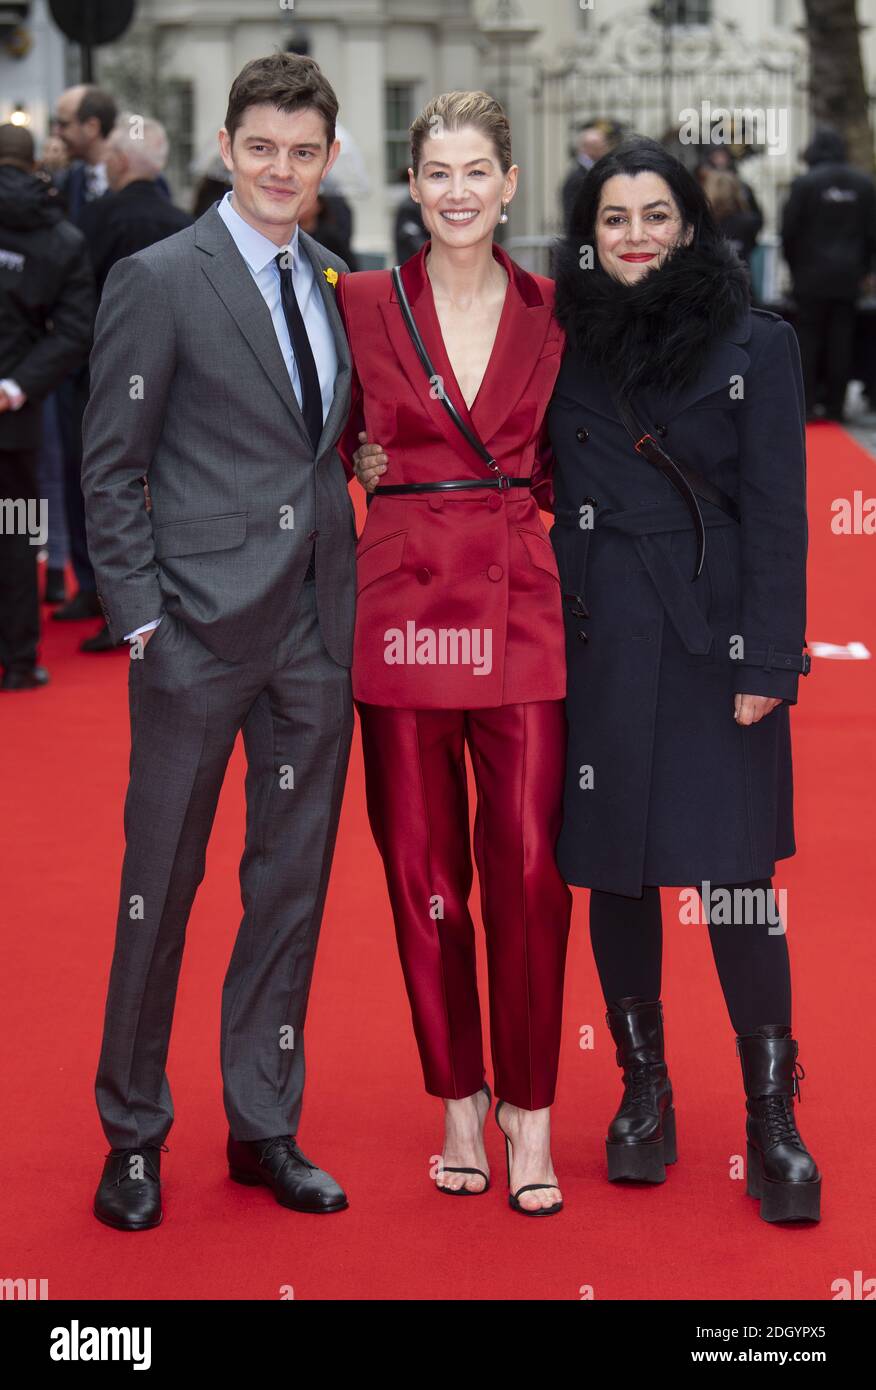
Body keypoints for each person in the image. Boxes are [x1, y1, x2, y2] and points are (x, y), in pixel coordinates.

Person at [81, 52, 356, 1230]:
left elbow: (325, 446)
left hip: (314, 635)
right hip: (194, 636)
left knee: (288, 893)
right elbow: (110, 466)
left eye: (303, 151)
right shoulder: (160, 275)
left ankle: (264, 1122)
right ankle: (133, 1133)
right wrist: (145, 619)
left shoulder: (341, 280)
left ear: (328, 158)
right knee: (163, 887)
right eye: (262, 147)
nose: (281, 169)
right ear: (227, 147)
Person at [549, 137, 820, 1223]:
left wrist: (769, 654)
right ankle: (643, 1094)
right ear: (590, 233)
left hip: (714, 642)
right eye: (615, 219)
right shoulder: (559, 342)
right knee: (618, 873)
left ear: (692, 225)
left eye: (656, 215)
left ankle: (772, 1119)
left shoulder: (759, 340)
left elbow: (782, 513)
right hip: (599, 638)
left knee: (737, 880)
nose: (636, 237)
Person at [341, 91, 572, 1215]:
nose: (458, 191)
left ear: (510, 183)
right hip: (401, 609)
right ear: (413, 183)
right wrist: (366, 466)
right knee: (425, 877)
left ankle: (530, 1111)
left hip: (522, 606)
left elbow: (591, 459)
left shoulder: (558, 310)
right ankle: (457, 1098)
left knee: (528, 867)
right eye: (437, 171)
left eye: (478, 169)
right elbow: (318, 434)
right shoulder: (365, 304)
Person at [77, 114, 193, 654]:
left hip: (103, 373)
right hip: (181, 378)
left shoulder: (96, 218)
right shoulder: (183, 221)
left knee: (107, 476)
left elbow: (79, 299)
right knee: (161, 481)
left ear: (120, 161)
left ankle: (109, 600)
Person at [0, 123, 94, 690]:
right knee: (15, 532)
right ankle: (17, 660)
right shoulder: (61, 236)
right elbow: (75, 330)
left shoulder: (62, 236)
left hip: (17, 406)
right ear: (33, 164)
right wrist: (16, 387)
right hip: (17, 418)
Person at [50, 85, 117, 624]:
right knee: (74, 469)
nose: (59, 132)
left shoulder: (135, 185)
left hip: (117, 358)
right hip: (70, 359)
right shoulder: (65, 184)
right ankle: (84, 580)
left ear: (92, 127)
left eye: (66, 122)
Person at [782, 126, 876, 422]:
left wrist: (795, 267)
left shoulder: (804, 184)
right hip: (848, 276)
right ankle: (836, 405)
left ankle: (807, 404)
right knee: (842, 339)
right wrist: (865, 269)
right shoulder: (864, 184)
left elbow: (789, 231)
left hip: (810, 275)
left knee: (808, 339)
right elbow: (872, 233)